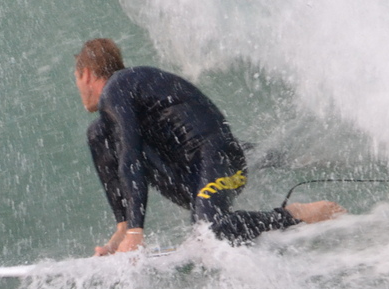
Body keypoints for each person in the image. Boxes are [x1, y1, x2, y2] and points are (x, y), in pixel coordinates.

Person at [75, 38, 343, 255]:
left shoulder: (117, 88)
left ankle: (294, 215)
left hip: (221, 161)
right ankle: (122, 228)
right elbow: (129, 151)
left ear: (85, 74)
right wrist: (125, 228)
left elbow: (131, 156)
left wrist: (137, 231)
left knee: (210, 231)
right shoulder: (126, 97)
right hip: (191, 175)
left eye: (76, 79)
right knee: (99, 133)